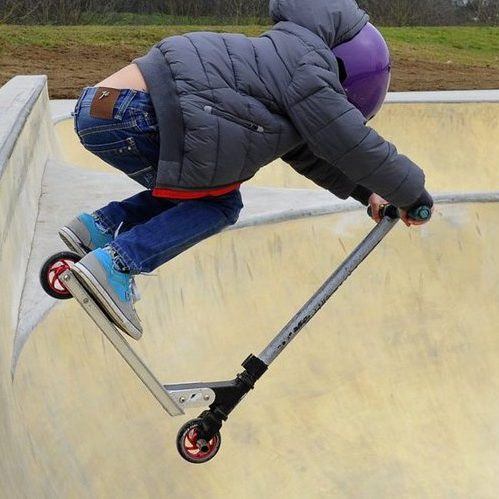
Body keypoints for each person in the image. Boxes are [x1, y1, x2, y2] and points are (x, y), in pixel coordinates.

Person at [62, 0, 434, 340]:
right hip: (138, 114)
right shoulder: (311, 68)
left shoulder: (277, 55)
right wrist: (412, 194)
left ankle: (98, 229)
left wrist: (366, 192)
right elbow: (347, 142)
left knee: (205, 191)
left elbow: (310, 153)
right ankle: (116, 264)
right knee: (220, 205)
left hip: (100, 107)